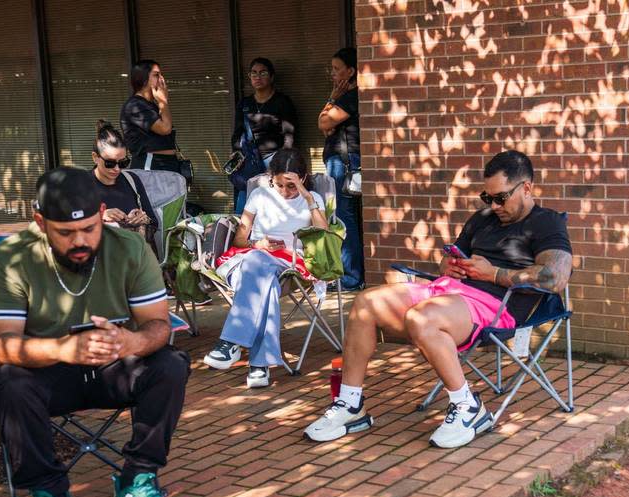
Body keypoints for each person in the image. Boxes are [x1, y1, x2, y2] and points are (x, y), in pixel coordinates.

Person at [303, 150, 572, 449]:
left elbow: (555, 277)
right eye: (488, 198)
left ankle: (468, 407)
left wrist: (493, 274)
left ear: (526, 188)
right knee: (365, 303)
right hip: (448, 292)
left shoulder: (546, 222)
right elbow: (449, 258)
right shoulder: (482, 219)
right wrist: (450, 266)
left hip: (496, 306)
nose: (494, 206)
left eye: (501, 198)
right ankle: (350, 406)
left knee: (422, 318)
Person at [0, 167, 189, 497]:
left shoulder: (128, 247)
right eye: (65, 233)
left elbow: (160, 326)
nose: (80, 241)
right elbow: (1, 346)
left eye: (89, 228)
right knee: (7, 380)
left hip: (112, 367)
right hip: (47, 374)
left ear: (101, 212)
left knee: (170, 364)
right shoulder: (12, 256)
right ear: (41, 222)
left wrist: (129, 341)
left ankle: (137, 483)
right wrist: (63, 349)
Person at [202, 148, 328, 389]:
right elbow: (240, 240)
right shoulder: (259, 195)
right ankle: (259, 365)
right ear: (272, 179)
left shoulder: (312, 199)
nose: (285, 191)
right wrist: (257, 243)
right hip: (252, 259)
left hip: (289, 263)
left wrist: (309, 199)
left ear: (302, 178)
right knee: (262, 275)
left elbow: (324, 236)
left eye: (292, 186)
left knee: (259, 267)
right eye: (279, 184)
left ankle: (231, 343)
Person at [317, 47, 364, 291]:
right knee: (347, 217)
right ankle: (352, 275)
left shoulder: (349, 97)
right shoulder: (350, 97)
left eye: (336, 69)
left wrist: (332, 99)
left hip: (344, 163)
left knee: (344, 219)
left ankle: (351, 277)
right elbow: (326, 127)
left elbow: (323, 121)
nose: (332, 74)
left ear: (351, 71)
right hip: (345, 162)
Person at [231, 57, 298, 214]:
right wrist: (237, 154)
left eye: (263, 73)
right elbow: (237, 132)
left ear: (272, 76)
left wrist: (283, 162)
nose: (257, 77)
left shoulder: (282, 102)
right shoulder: (244, 103)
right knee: (244, 203)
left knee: (273, 203)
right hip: (248, 160)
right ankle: (242, 236)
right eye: (253, 73)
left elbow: (289, 135)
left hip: (273, 159)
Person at [91, 120, 157, 255]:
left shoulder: (131, 180)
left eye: (123, 163)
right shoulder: (81, 184)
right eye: (110, 163)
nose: (116, 169)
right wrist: (101, 216)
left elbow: (154, 223)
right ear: (95, 157)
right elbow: (67, 227)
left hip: (137, 264)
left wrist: (143, 218)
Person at [120, 60, 178, 172]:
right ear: (143, 79)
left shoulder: (151, 105)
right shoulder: (135, 105)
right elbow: (165, 128)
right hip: (151, 163)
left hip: (167, 163)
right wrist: (163, 101)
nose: (162, 79)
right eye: (156, 75)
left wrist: (162, 103)